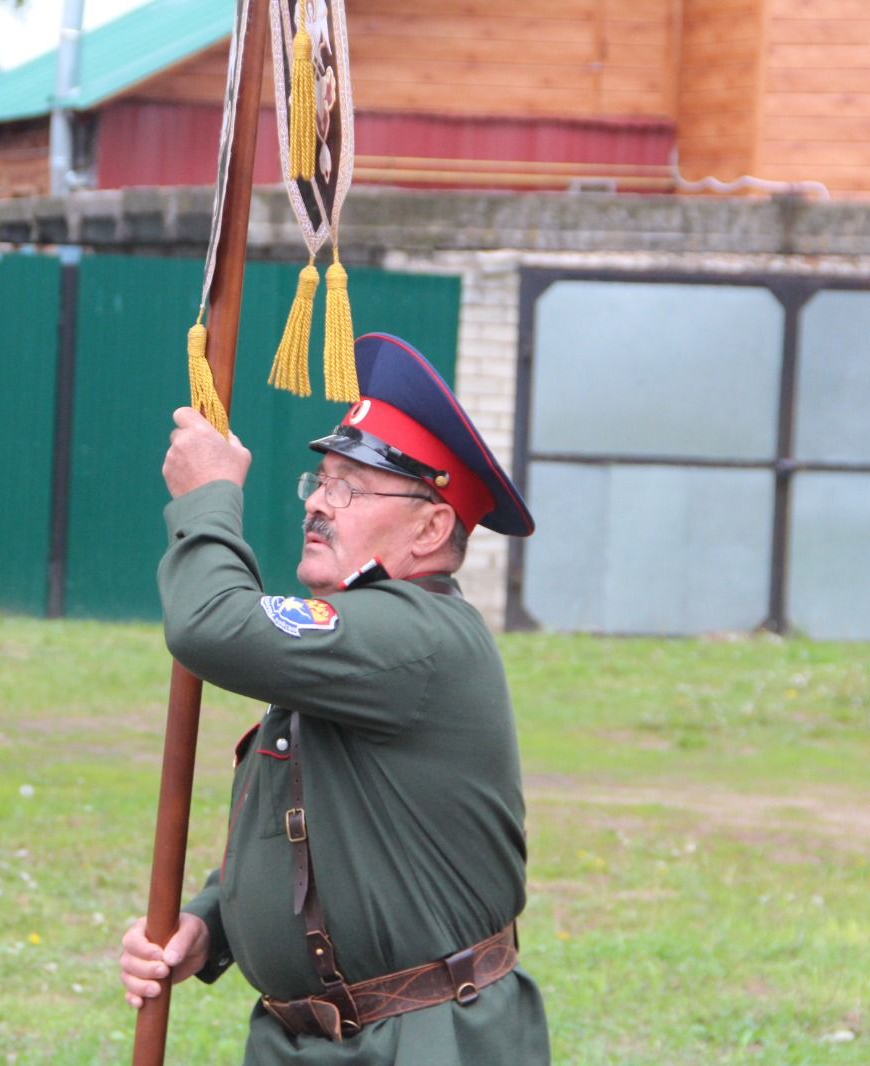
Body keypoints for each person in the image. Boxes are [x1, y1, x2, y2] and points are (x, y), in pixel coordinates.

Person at [120, 333, 549, 1064]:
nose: (319, 502)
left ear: (431, 527)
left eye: (350, 486)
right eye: (320, 480)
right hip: (308, 1038)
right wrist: (209, 924)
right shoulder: (358, 640)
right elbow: (319, 830)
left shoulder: (416, 635)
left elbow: (209, 624)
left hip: (425, 1041)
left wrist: (209, 497)